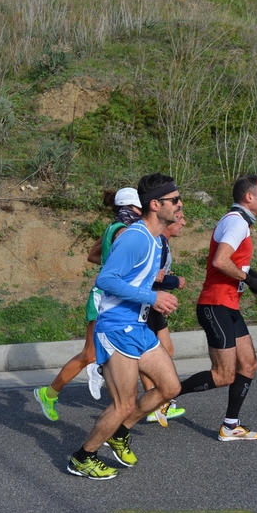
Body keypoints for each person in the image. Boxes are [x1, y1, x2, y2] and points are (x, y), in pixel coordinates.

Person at [67, 173, 182, 480]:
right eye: (175, 200)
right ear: (155, 205)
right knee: (123, 404)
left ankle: (121, 432)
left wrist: (158, 294)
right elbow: (105, 279)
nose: (179, 205)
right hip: (116, 328)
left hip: (138, 326)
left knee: (171, 388)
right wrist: (151, 297)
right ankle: (83, 457)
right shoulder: (134, 237)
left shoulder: (156, 240)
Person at [33, 188, 141, 421]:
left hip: (115, 296)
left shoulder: (113, 227)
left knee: (122, 351)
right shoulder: (123, 230)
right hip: (104, 297)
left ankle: (124, 405)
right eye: (141, 207)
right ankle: (48, 393)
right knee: (89, 354)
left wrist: (110, 262)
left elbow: (94, 256)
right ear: (132, 207)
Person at [176, 174, 257, 441]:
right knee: (223, 375)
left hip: (228, 304)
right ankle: (167, 394)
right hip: (215, 304)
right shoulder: (237, 223)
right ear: (248, 197)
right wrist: (247, 278)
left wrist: (250, 275)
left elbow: (229, 261)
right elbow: (220, 261)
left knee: (249, 365)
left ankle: (230, 425)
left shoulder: (239, 223)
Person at [141, 215, 188, 427]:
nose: (184, 223)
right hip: (146, 303)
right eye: (181, 219)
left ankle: (156, 399)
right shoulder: (157, 242)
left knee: (167, 349)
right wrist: (174, 282)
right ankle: (154, 401)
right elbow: (151, 278)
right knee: (149, 355)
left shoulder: (164, 243)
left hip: (155, 303)